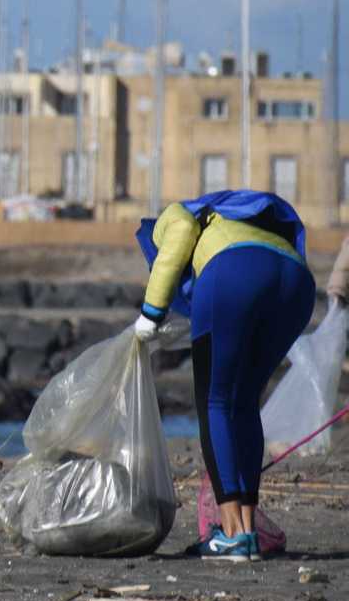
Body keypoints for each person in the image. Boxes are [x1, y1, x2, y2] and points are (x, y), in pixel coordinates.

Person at [134, 189, 314, 561]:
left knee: (215, 402)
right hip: (297, 283)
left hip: (234, 275)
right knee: (243, 402)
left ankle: (231, 533)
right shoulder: (235, 216)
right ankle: (247, 528)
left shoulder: (177, 214)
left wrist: (151, 312)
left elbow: (181, 232)